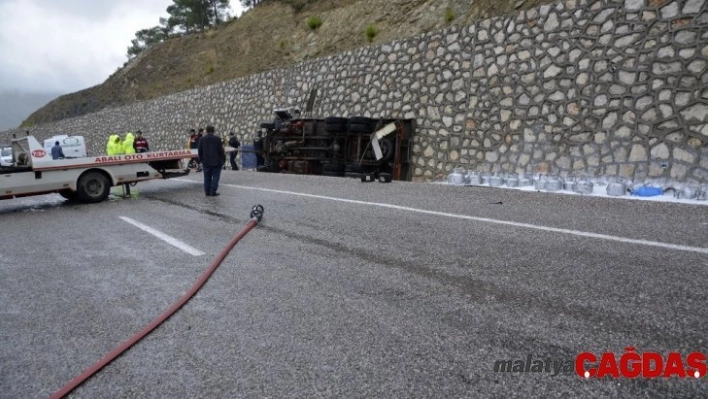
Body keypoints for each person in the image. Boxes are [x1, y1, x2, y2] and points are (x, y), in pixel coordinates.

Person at [197, 125, 225, 196]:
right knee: (216, 177)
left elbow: (199, 151)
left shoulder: (202, 139)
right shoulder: (217, 139)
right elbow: (221, 151)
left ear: (206, 131)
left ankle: (207, 191)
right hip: (216, 161)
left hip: (206, 161)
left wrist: (201, 160)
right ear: (213, 131)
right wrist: (222, 160)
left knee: (207, 177)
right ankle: (213, 190)